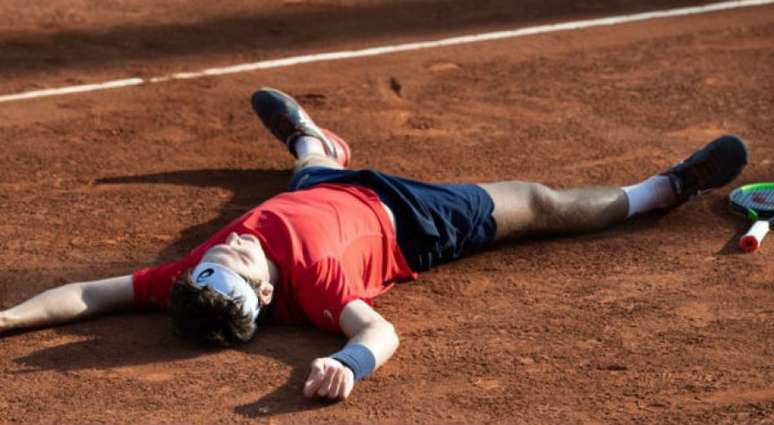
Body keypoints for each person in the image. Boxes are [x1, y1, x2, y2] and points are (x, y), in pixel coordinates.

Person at [0, 88, 748, 401]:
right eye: (234, 264)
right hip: (412, 221)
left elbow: (92, 294)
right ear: (263, 297)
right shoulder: (318, 289)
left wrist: (9, 319)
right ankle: (665, 189)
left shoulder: (190, 283)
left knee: (309, 167)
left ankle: (309, 137)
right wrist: (347, 364)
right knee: (540, 203)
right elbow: (379, 329)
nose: (224, 252)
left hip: (315, 191)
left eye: (214, 259)